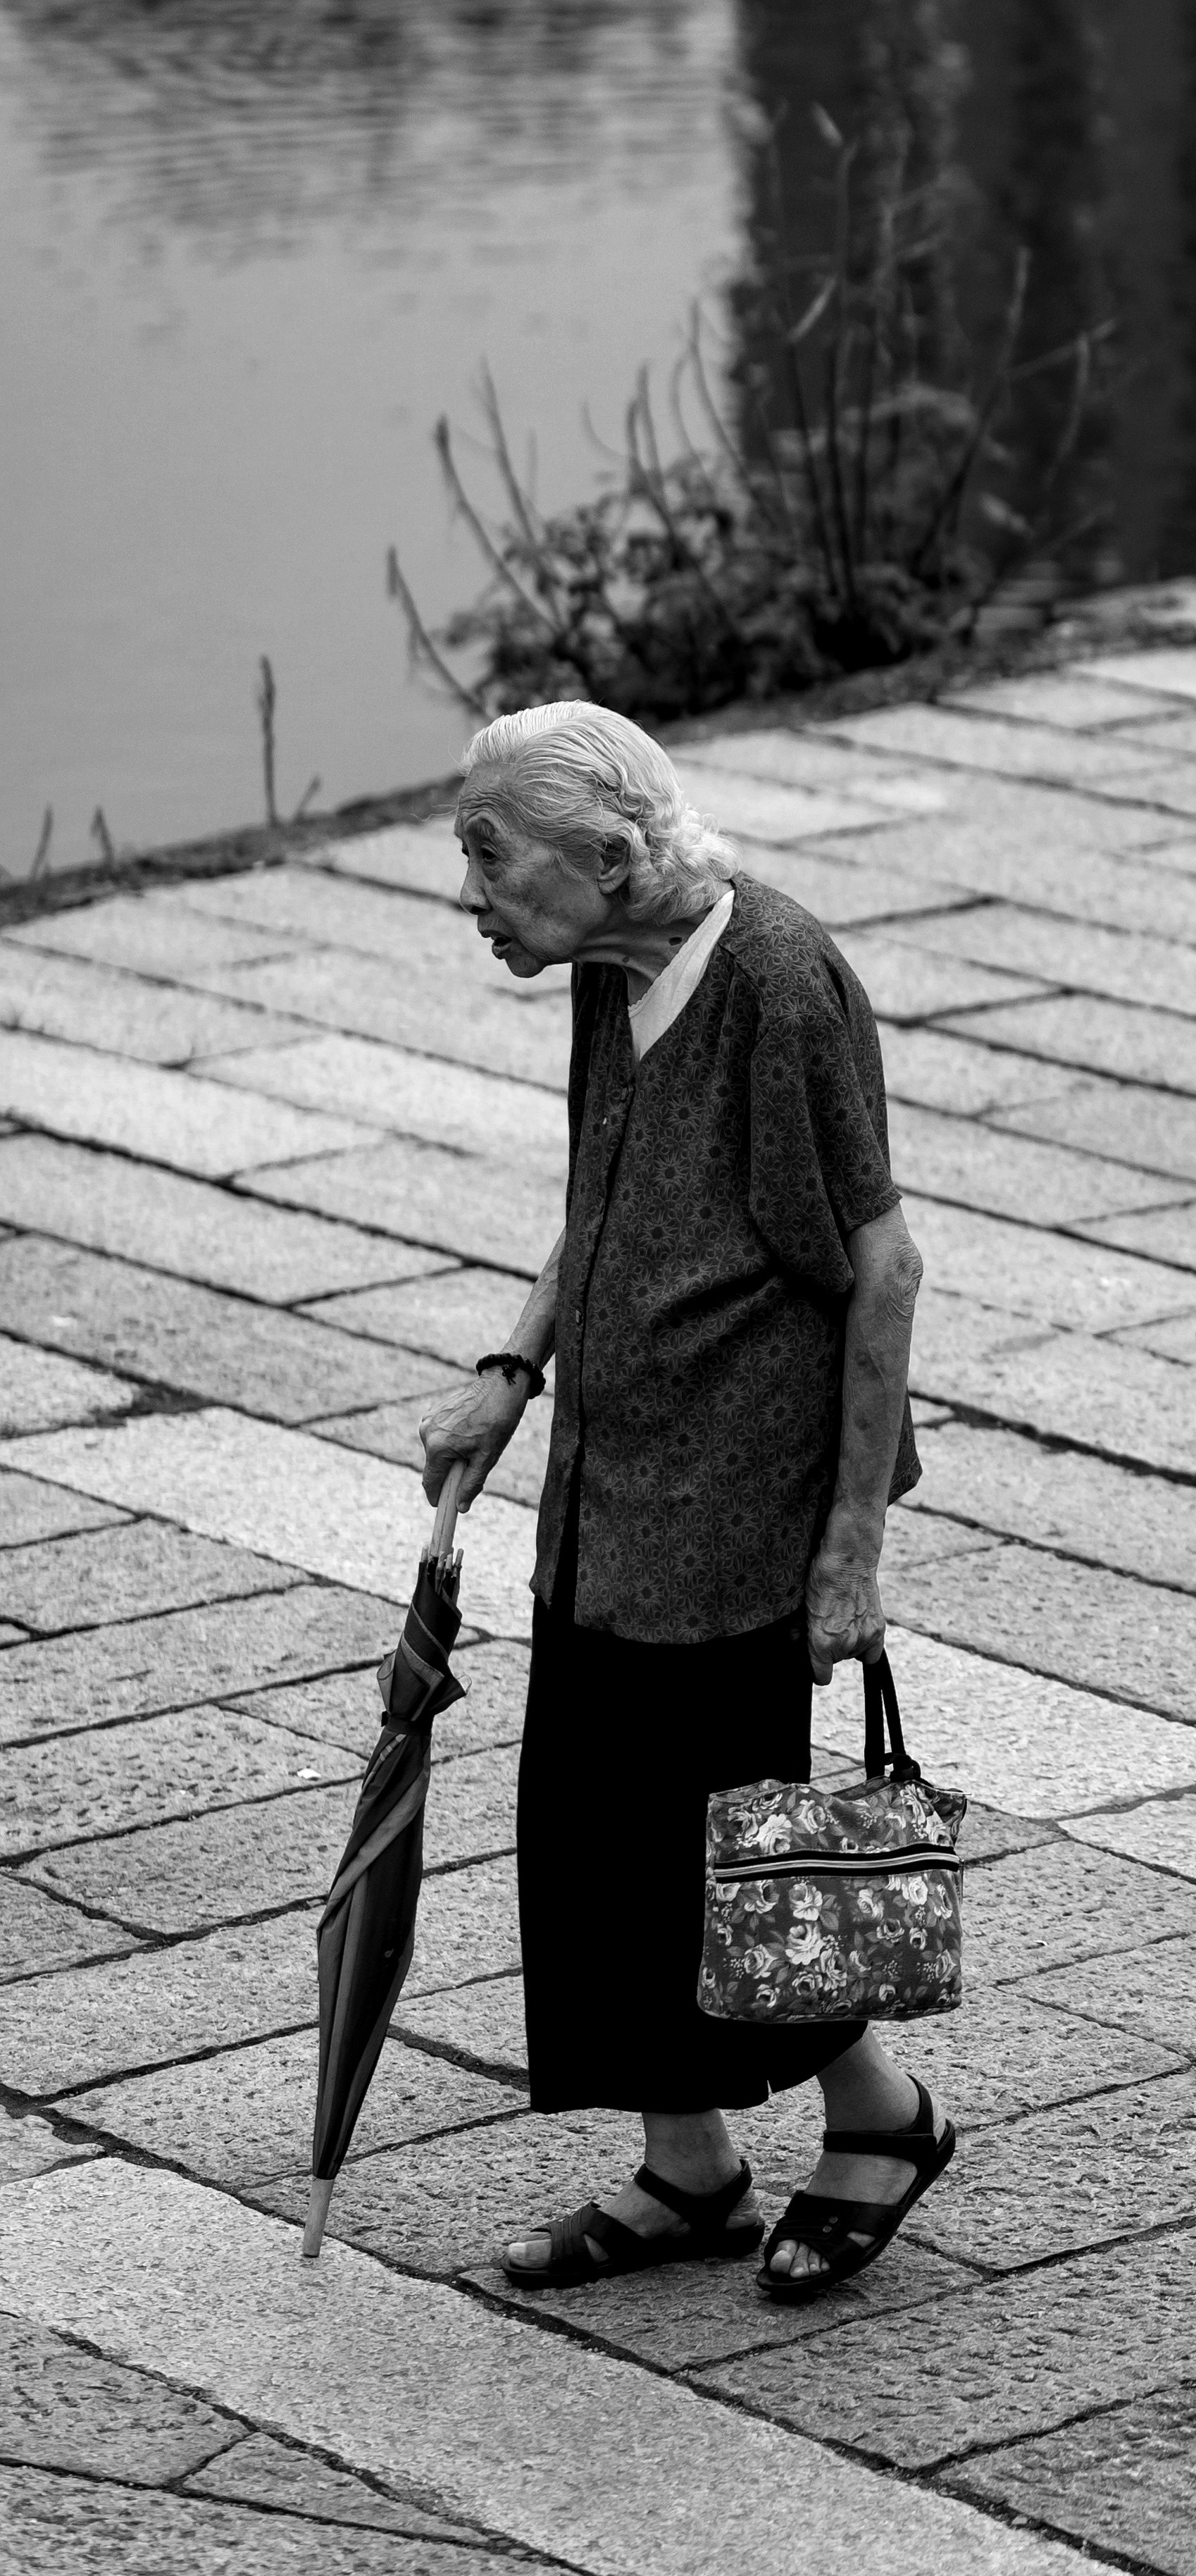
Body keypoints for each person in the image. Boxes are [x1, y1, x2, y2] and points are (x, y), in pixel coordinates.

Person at [416, 701, 954, 2304]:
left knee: (730, 1857)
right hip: (608, 1496)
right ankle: (691, 2166)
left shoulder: (779, 978)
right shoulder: (606, 969)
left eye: (487, 852)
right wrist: (511, 1374)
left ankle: (880, 2118)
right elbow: (594, 1201)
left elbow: (885, 1265)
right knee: (592, 1840)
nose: (471, 889)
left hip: (740, 1511)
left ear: (608, 855)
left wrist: (849, 1550)